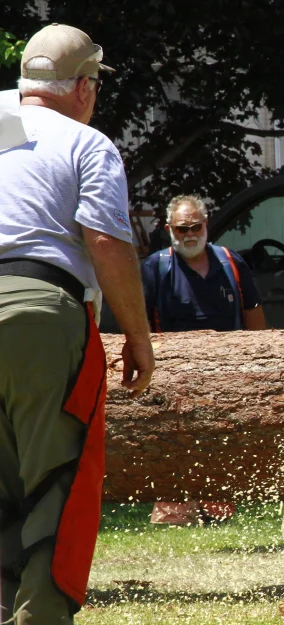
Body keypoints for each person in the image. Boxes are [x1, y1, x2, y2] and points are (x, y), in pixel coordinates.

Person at [0, 24, 155, 624]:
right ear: (85, 87)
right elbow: (105, 241)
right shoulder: (86, 143)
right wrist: (137, 336)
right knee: (59, 481)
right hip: (42, 312)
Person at [142, 195, 266, 332]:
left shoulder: (232, 262)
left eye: (196, 227)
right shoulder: (153, 268)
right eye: (182, 229)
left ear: (205, 224)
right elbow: (141, 323)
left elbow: (254, 315)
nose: (190, 234)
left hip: (230, 351)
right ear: (168, 229)